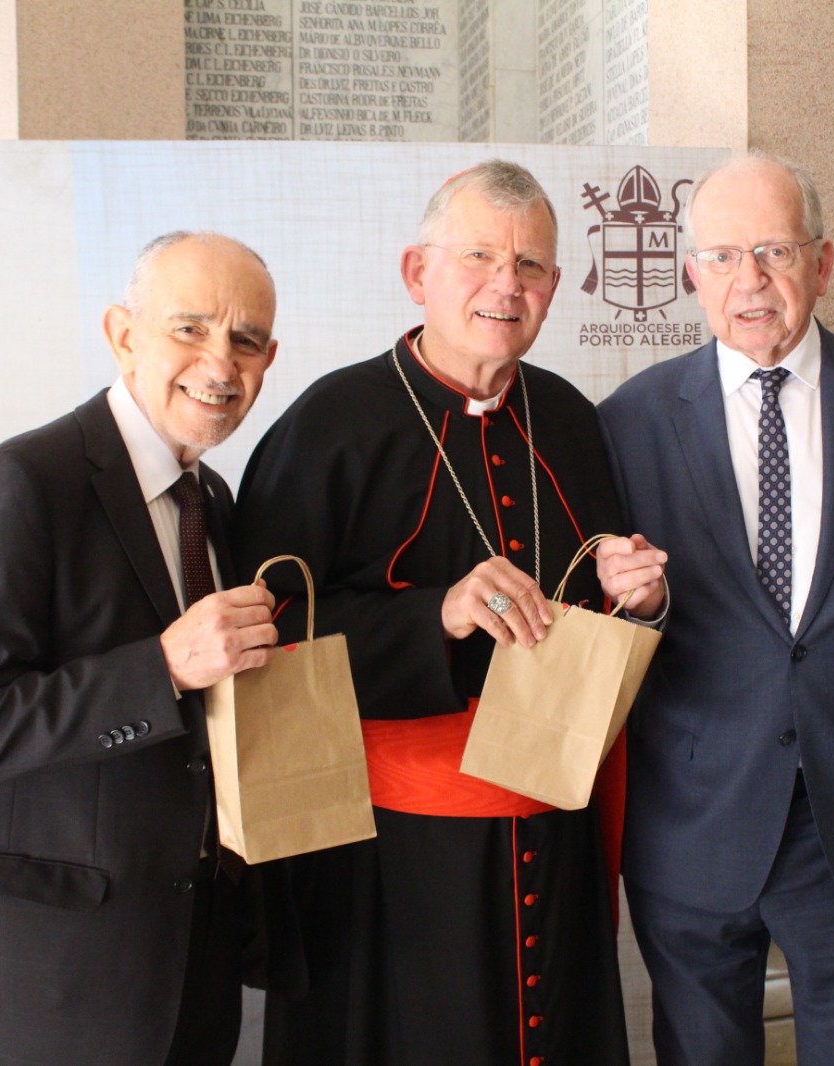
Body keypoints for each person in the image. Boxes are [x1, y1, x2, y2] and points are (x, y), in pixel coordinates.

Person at [235, 160, 666, 1066]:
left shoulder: (570, 419)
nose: (507, 284)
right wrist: (435, 616)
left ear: (553, 288)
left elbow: (595, 611)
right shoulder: (330, 423)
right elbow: (262, 634)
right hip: (388, 859)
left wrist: (641, 600)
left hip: (552, 823)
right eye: (479, 256)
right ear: (416, 271)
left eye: (531, 265)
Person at [597, 155, 834, 1066]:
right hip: (692, 809)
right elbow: (604, 624)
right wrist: (636, 605)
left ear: (823, 262)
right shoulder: (629, 420)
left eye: (775, 251)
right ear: (692, 275)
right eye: (724, 256)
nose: (751, 281)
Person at [0, 232, 288, 1066]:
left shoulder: (213, 496)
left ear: (269, 360)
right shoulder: (21, 483)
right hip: (58, 977)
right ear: (122, 333)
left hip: (191, 962)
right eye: (190, 328)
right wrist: (162, 669)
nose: (220, 363)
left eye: (246, 340)